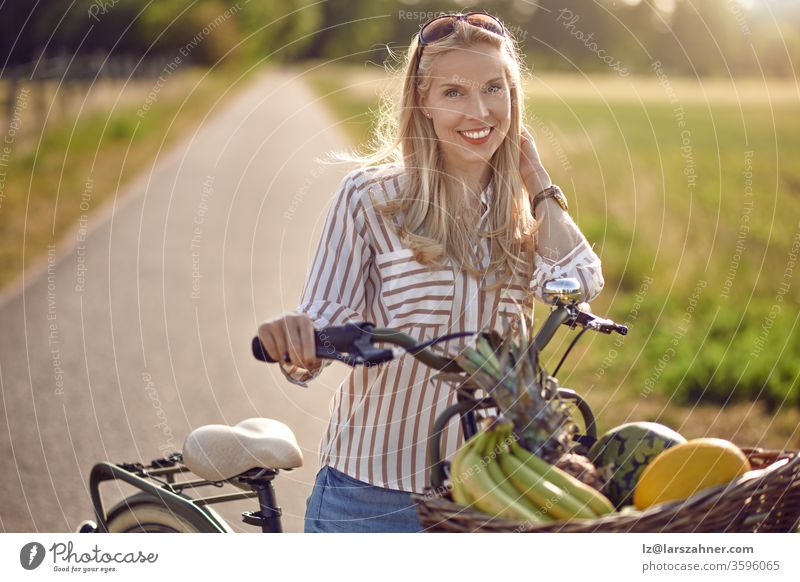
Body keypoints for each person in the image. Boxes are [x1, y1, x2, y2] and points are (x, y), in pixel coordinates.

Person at [257, 12, 604, 532]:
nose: (480, 110)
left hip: (493, 492)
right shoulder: (370, 198)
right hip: (370, 493)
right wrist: (297, 341)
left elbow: (580, 280)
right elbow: (323, 323)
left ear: (514, 97)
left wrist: (537, 181)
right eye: (454, 93)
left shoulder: (520, 213)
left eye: (494, 89)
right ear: (423, 101)